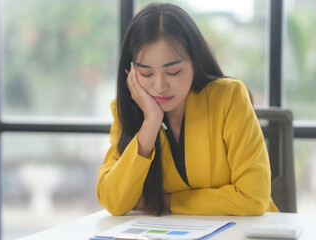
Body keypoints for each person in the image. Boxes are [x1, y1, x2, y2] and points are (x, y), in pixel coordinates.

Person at [97, 2, 279, 216]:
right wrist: (150, 123)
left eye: (173, 71)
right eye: (146, 74)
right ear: (131, 72)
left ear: (195, 61)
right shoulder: (127, 110)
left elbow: (253, 198)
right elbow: (113, 201)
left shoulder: (229, 98)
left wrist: (166, 202)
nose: (159, 86)